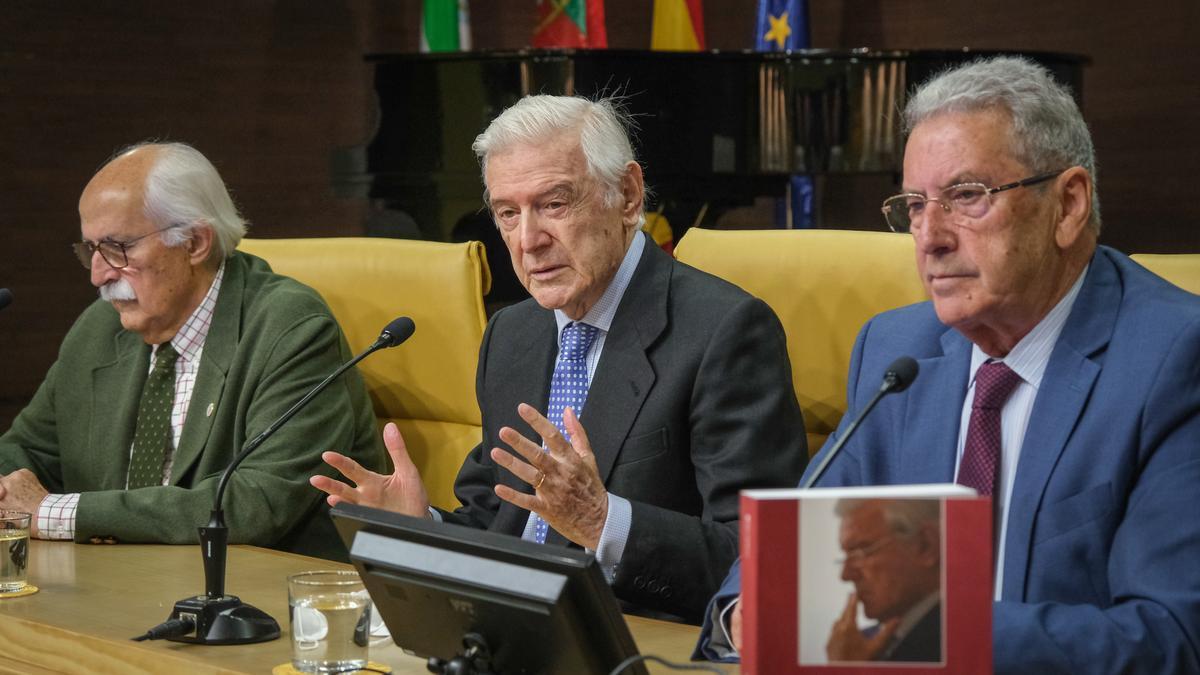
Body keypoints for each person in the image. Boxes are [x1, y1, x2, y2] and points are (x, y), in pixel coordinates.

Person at [697, 56, 1200, 674]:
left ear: (1067, 205)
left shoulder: (1174, 359)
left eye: (966, 196)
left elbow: (1172, 637)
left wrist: (923, 634)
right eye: (913, 205)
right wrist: (747, 609)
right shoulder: (895, 352)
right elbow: (795, 558)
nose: (929, 237)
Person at [311, 95, 808, 622]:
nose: (529, 240)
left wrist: (603, 522)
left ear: (628, 196)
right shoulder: (513, 332)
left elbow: (761, 559)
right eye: (508, 213)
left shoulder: (723, 332)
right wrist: (423, 526)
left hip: (634, 639)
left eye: (554, 204)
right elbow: (495, 519)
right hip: (511, 632)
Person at [0, 142, 382, 560]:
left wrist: (55, 513)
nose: (98, 275)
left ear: (195, 242)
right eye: (90, 249)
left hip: (260, 597)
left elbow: (257, 504)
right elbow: (29, 452)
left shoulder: (291, 329)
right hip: (117, 581)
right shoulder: (101, 328)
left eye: (116, 249)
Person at [825, 499, 940, 663]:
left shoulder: (959, 638)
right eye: (846, 557)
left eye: (861, 552)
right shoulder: (860, 644)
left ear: (925, 546)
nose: (845, 575)